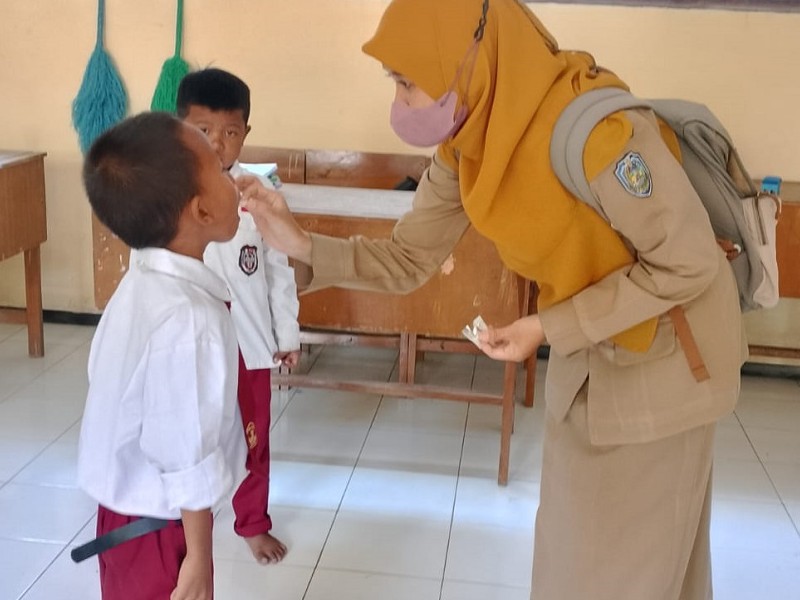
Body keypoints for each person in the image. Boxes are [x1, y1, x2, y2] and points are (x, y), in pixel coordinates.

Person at [240, 1, 747, 598]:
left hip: (667, 368)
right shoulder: (469, 144)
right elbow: (408, 258)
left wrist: (547, 325)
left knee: (630, 575)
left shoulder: (600, 137)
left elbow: (688, 262)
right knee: (585, 565)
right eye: (394, 82)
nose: (400, 103)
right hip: (591, 361)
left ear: (469, 56)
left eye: (408, 82)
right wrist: (298, 243)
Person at [76, 111, 246, 600]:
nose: (233, 178)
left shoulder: (140, 284)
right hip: (160, 528)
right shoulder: (187, 318)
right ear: (202, 211)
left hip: (130, 517)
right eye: (220, 170)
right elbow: (185, 450)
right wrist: (198, 556)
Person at [177, 68, 301, 565]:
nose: (217, 142)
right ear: (181, 128)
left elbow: (279, 269)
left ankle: (251, 522)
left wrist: (286, 334)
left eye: (230, 131)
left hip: (247, 342)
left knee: (253, 436)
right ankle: (187, 522)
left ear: (246, 133)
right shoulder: (167, 190)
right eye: (204, 129)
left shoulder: (260, 190)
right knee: (191, 435)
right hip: (190, 343)